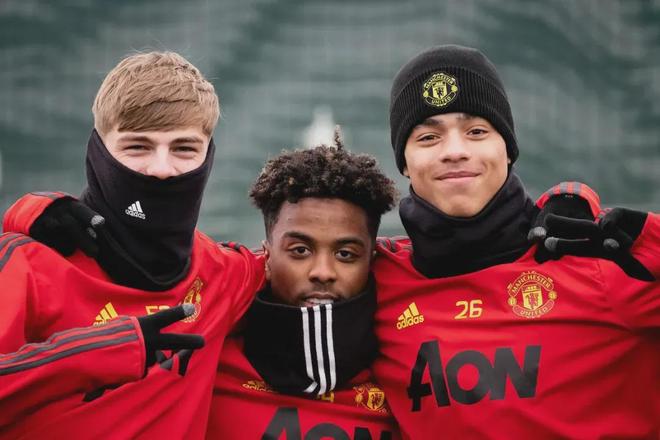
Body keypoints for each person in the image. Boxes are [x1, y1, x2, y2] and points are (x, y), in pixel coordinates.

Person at [370, 44, 659, 438]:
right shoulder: (374, 280)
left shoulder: (600, 254)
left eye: (476, 132)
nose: (454, 151)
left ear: (508, 149)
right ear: (404, 163)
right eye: (428, 137)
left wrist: (644, 235)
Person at [0, 52, 264, 439]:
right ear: (99, 151)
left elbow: (326, 259)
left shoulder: (226, 275)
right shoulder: (29, 263)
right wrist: (108, 350)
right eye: (137, 147)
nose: (161, 169)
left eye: (184, 149)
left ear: (208, 155)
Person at [206, 138, 401, 439]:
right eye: (300, 250)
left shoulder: (402, 362)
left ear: (371, 262)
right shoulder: (208, 357)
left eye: (345, 254)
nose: (322, 272)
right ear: (266, 257)